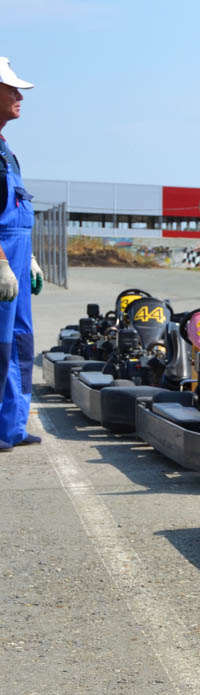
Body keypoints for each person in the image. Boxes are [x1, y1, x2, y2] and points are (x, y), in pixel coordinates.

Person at [0, 57, 38, 452]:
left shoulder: (5, 150)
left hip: (16, 258)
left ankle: (11, 426)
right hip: (1, 260)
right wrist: (1, 261)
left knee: (20, 341)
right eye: (11, 89)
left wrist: (27, 258)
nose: (19, 96)